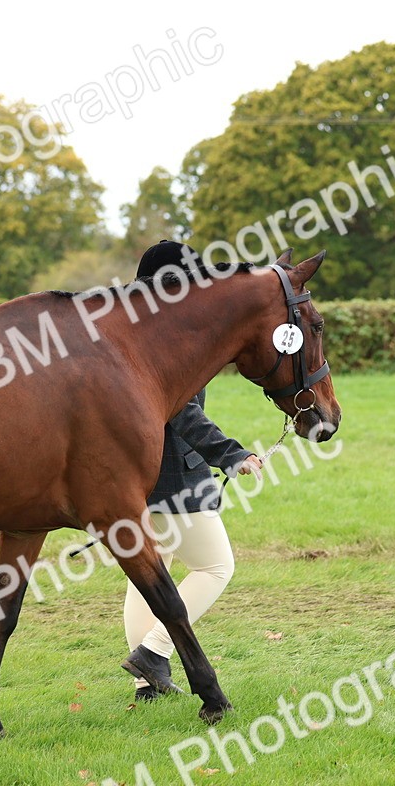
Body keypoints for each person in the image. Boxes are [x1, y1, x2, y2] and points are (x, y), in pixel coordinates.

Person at [119, 240, 264, 701]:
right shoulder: (169, 342)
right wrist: (232, 454)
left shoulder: (130, 331)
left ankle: (148, 685)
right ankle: (154, 652)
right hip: (174, 478)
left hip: (133, 481)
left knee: (146, 576)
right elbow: (182, 413)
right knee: (217, 566)